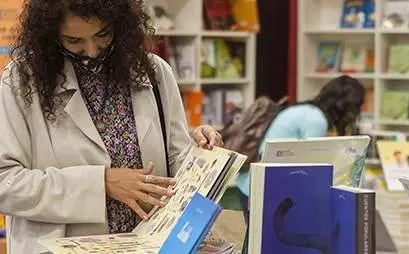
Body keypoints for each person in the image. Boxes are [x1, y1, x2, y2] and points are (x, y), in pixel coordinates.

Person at [0, 0, 223, 253]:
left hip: (150, 246)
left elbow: (175, 163)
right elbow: (5, 182)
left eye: (102, 35)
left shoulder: (154, 72)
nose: (92, 51)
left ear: (119, 23)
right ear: (50, 33)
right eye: (74, 41)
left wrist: (200, 152)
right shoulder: (22, 80)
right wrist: (101, 183)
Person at [236, 75, 365, 251]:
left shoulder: (305, 110)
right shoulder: (316, 120)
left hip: (250, 181)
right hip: (260, 186)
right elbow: (312, 166)